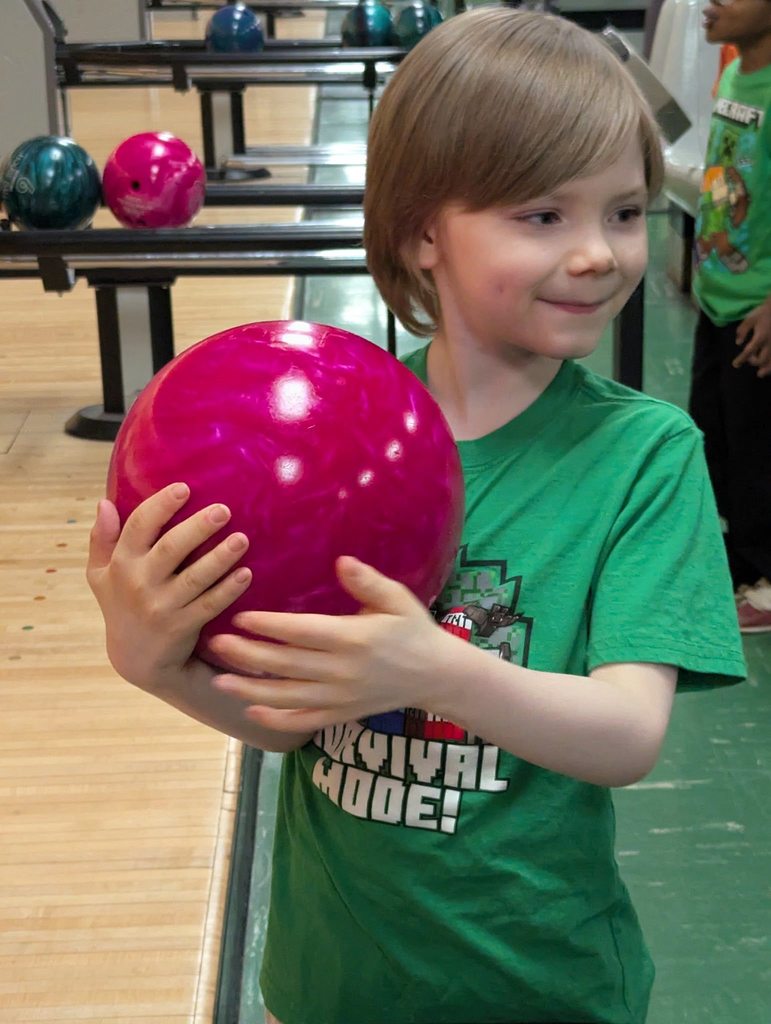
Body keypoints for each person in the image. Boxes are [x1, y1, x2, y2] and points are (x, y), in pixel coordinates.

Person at [87, 10, 747, 1024]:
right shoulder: (318, 441)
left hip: (540, 992)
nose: (598, 254)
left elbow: (626, 733)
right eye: (542, 216)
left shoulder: (645, 457)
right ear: (421, 233)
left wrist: (436, 671)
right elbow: (290, 722)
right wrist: (157, 665)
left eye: (622, 211)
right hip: (328, 983)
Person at [691, 0, 771, 632]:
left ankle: (767, 582)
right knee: (718, 439)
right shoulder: (736, 72)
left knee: (760, 453)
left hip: (758, 311)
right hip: (717, 296)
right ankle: (740, 561)